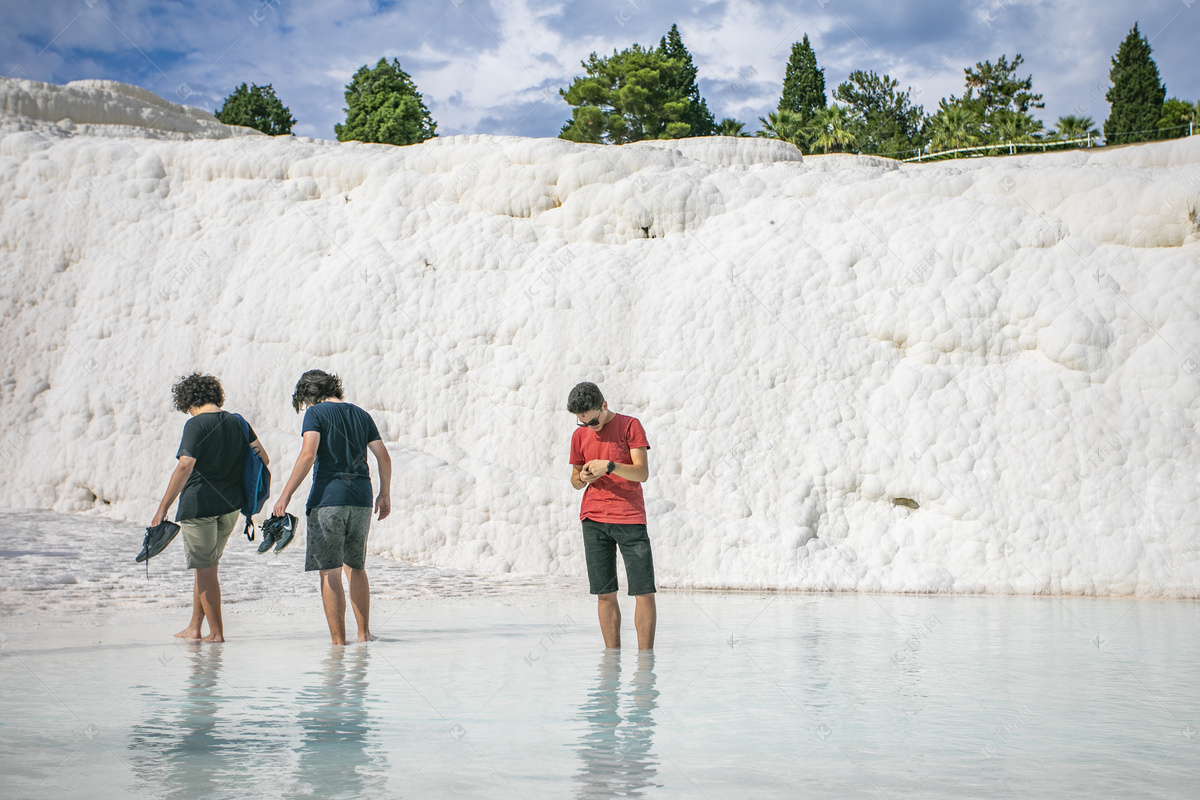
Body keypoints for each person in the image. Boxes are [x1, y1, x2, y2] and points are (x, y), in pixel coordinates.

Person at [273, 370, 391, 645]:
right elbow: (383, 455)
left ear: (310, 395)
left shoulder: (315, 414)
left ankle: (339, 643)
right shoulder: (361, 414)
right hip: (361, 498)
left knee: (330, 570)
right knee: (356, 567)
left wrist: (285, 496)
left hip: (328, 500)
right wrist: (385, 493)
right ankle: (364, 634)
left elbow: (308, 453)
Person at [152, 373, 269, 643]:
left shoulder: (196, 424)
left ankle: (216, 634)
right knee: (207, 567)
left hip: (199, 505)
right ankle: (195, 626)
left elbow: (184, 465)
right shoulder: (238, 422)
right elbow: (263, 457)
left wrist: (162, 509)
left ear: (189, 402)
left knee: (204, 568)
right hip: (230, 506)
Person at [568, 382, 656, 650]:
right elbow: (574, 479)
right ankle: (611, 659)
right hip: (593, 521)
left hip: (630, 519)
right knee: (604, 595)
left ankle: (645, 663)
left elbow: (642, 473)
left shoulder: (630, 426)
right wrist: (582, 476)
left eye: (593, 421)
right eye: (582, 423)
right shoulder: (579, 435)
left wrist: (611, 466)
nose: (589, 427)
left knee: (643, 592)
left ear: (604, 406)